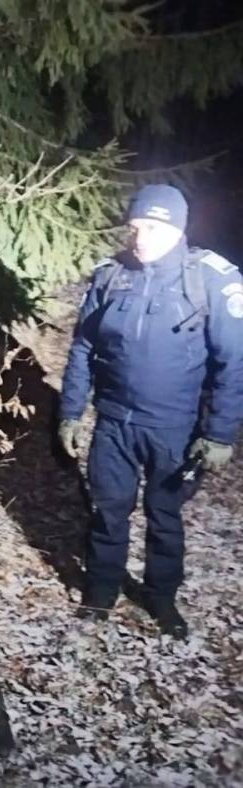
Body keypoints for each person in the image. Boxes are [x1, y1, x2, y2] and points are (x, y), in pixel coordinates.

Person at [58, 184, 243, 638]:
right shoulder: (110, 276)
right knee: (108, 509)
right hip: (114, 423)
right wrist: (70, 411)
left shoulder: (213, 280)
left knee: (165, 516)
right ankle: (100, 593)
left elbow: (233, 363)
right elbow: (83, 346)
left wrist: (219, 435)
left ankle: (161, 598)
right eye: (136, 226)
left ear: (178, 230)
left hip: (174, 429)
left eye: (154, 228)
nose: (141, 237)